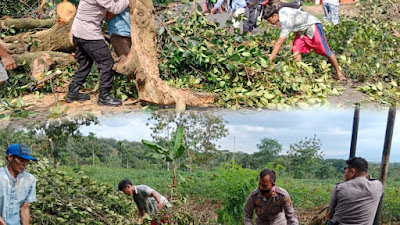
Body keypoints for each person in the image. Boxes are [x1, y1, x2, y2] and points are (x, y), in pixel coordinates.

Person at [67, 0, 130, 107]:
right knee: (107, 63)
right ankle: (104, 96)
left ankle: (73, 92)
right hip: (89, 34)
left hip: (79, 31)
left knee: (85, 62)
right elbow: (115, 9)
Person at [263, 6, 347, 82]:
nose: (269, 22)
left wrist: (270, 60)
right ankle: (298, 75)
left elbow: (279, 43)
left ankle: (339, 73)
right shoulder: (282, 11)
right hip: (301, 31)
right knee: (296, 50)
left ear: (275, 16)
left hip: (312, 25)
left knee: (326, 51)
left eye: (269, 20)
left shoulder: (286, 21)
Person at [327, 157, 383, 225]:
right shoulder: (377, 186)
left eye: (346, 170)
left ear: (352, 172)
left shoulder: (340, 188)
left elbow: (330, 214)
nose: (345, 173)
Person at [0, 143, 38, 225]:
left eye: (27, 161)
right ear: (10, 157)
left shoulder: (29, 180)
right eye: (21, 160)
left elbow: (24, 208)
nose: (25, 164)